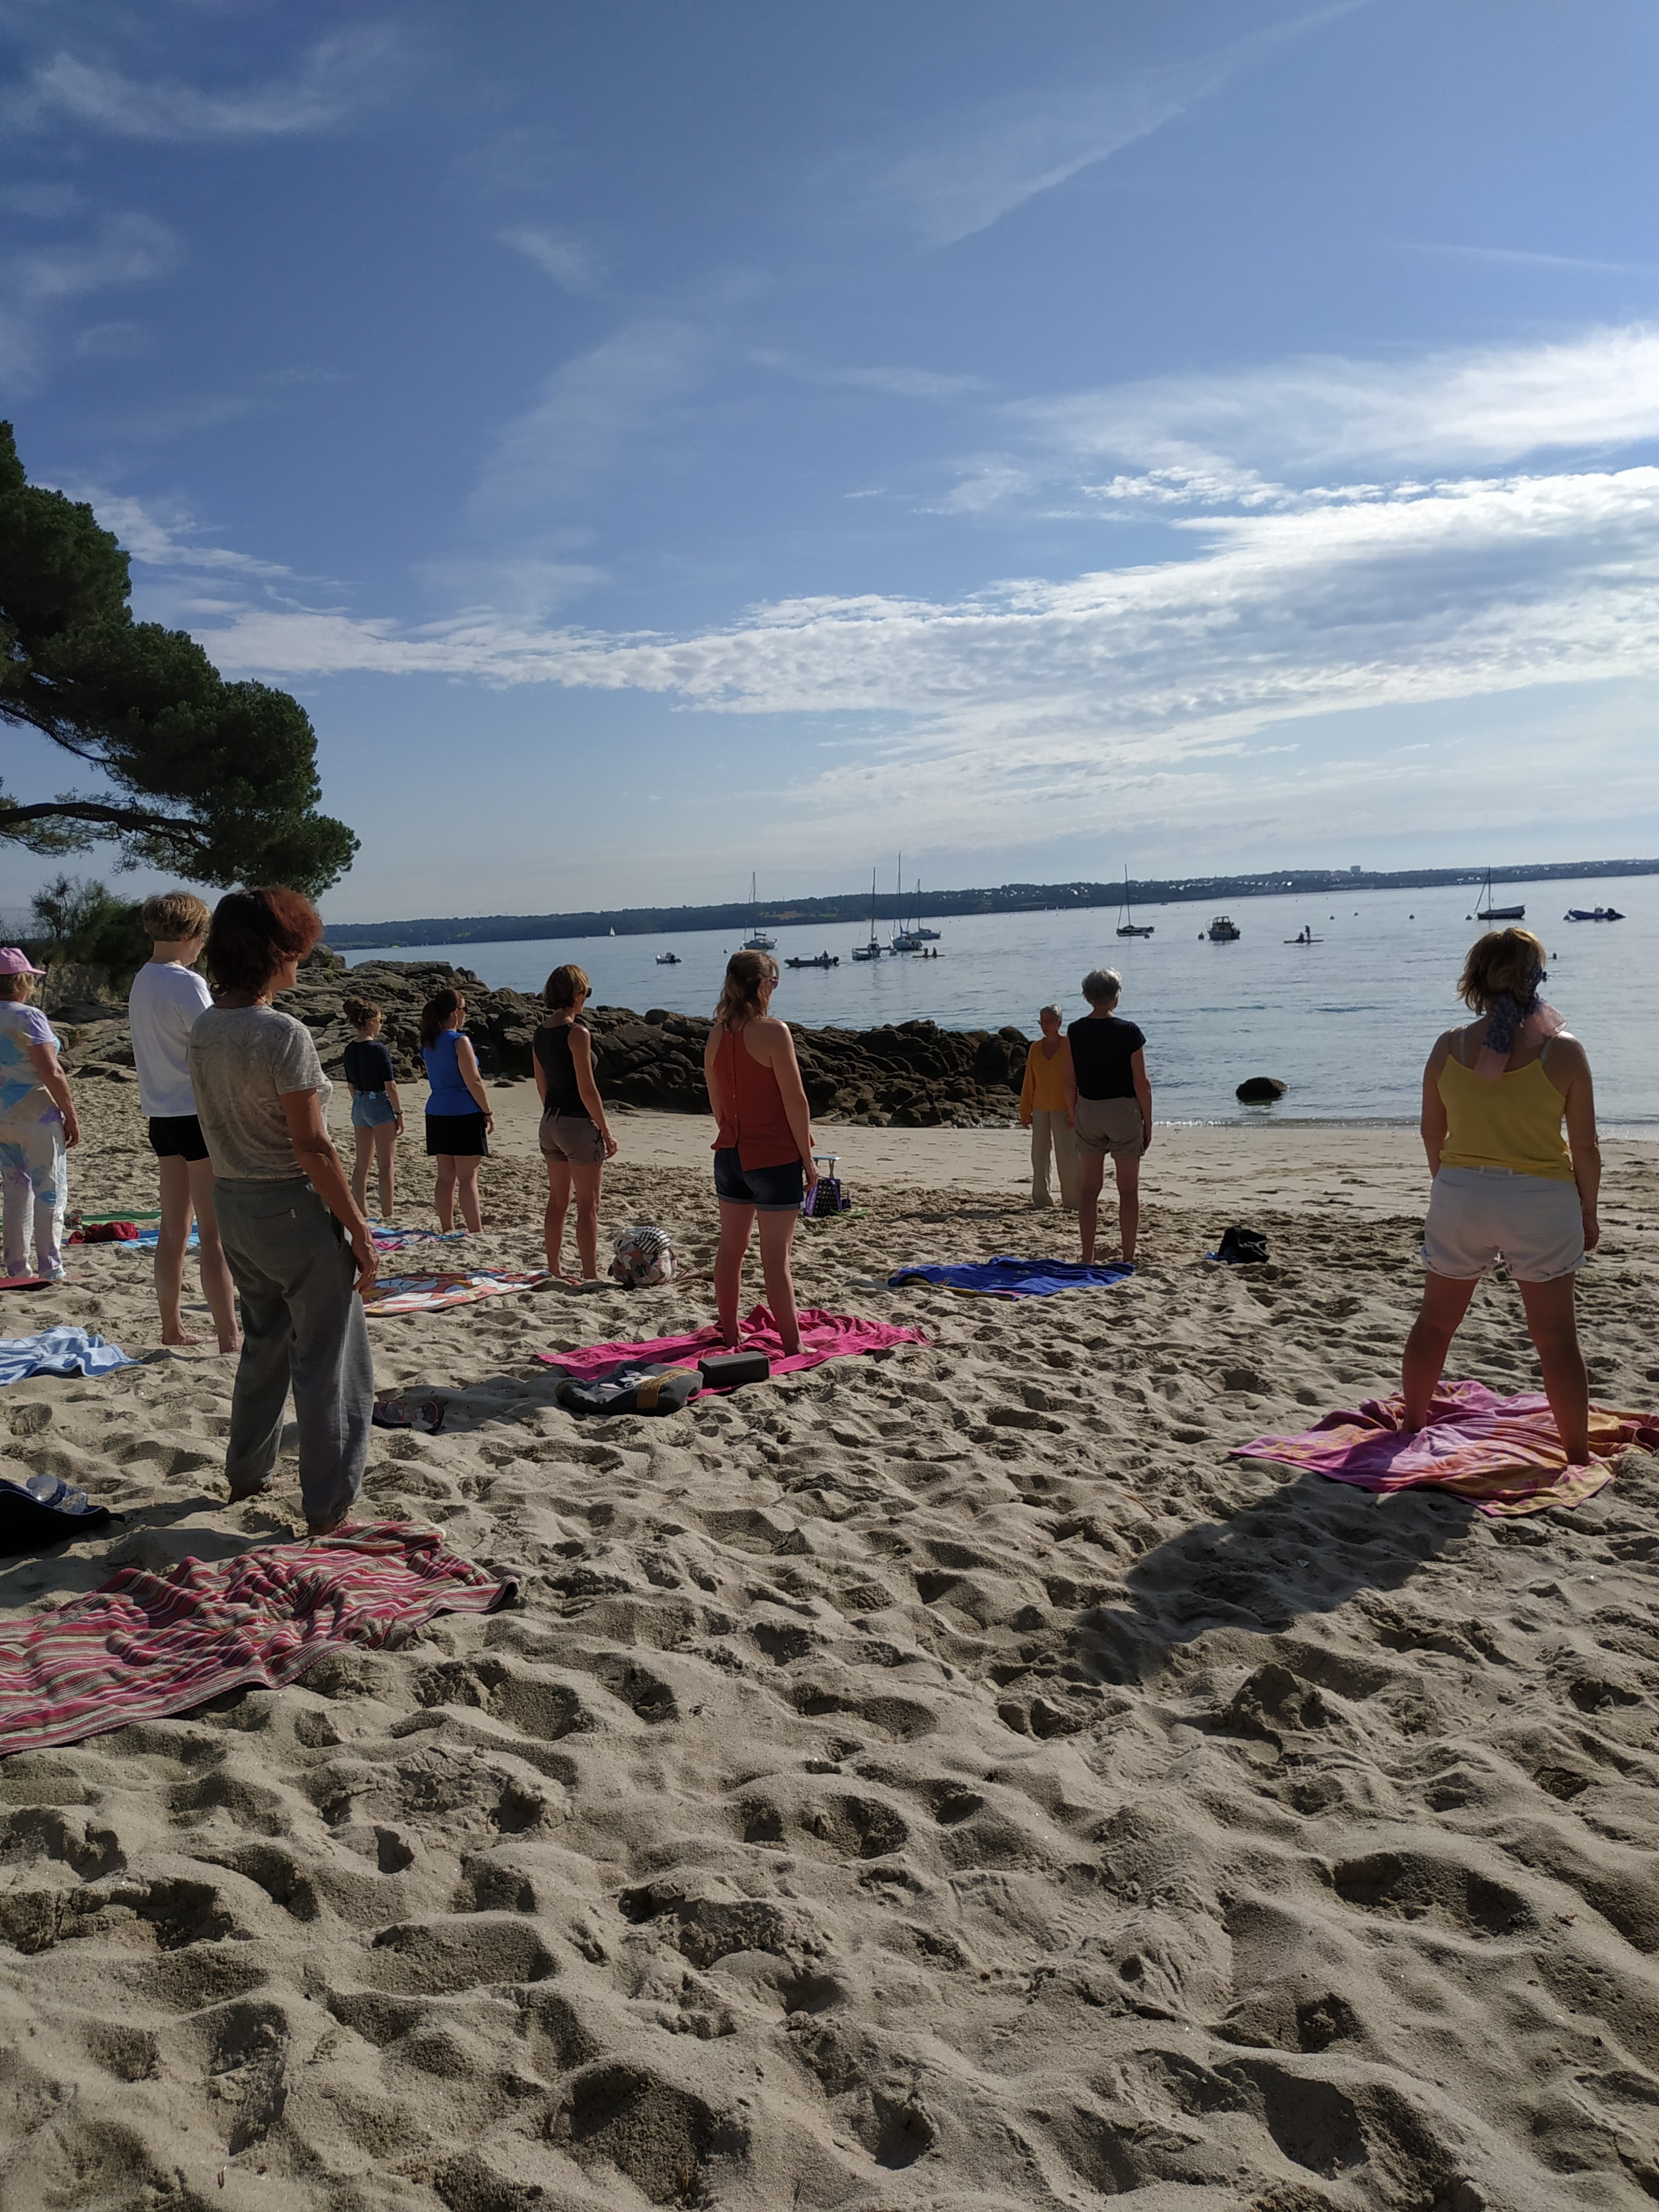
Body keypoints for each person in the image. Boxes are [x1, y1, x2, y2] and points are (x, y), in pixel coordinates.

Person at [187, 888, 377, 1534]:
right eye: (299, 948)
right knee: (330, 1360)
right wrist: (357, 1228)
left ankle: (246, 1473)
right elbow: (313, 1146)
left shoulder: (206, 1028)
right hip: (289, 1209)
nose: (305, 959)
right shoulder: (283, 1034)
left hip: (233, 1204)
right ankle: (329, 1506)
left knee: (264, 1343)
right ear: (277, 952)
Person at [1402, 927, 1600, 1464]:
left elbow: (1430, 1132)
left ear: (1477, 980)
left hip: (1461, 1192)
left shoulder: (1449, 1046)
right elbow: (1583, 1144)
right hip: (1540, 1199)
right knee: (1556, 1339)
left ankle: (1411, 1424)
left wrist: (1447, 1183)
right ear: (1536, 979)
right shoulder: (1564, 1052)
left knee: (1436, 1322)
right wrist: (1589, 1209)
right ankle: (1577, 1454)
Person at [128, 891, 239, 1351]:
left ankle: (171, 1325)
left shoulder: (141, 980)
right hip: (195, 1113)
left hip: (160, 1113)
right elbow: (214, 1040)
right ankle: (229, 1335)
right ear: (193, 935)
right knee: (213, 1232)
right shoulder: (185, 982)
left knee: (173, 1227)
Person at [702, 950, 819, 1355]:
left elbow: (717, 1105)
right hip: (772, 1157)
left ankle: (731, 1334)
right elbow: (796, 1101)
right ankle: (793, 1345)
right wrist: (807, 1159)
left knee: (730, 1250)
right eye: (773, 980)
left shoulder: (717, 1033)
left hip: (730, 1153)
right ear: (760, 985)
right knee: (776, 1260)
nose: (774, 988)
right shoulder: (773, 1031)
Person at [534, 964, 617, 1281]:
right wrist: (605, 1130)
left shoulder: (541, 1032)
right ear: (577, 994)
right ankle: (590, 1273)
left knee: (558, 1200)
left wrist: (553, 1116)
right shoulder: (577, 1033)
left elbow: (541, 1083)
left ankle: (554, 1267)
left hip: (550, 1120)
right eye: (586, 993)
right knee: (588, 1204)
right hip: (576, 1123)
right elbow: (587, 1088)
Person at [1064, 966, 1152, 1266]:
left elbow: (1069, 1080)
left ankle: (1087, 1256)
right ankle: (1127, 1256)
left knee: (1089, 1189)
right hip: (1123, 1110)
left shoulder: (1075, 1031)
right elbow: (1142, 1083)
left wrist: (1072, 1112)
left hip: (1089, 1108)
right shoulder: (1129, 1032)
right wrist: (1148, 1122)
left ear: (1088, 997)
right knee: (1128, 1189)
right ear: (1115, 997)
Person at [0, 948, 79, 1282]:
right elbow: (52, 1072)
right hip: (36, 1113)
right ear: (22, 981)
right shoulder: (28, 1017)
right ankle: (51, 1267)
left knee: (16, 1190)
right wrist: (70, 1115)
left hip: (2, 1117)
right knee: (50, 1191)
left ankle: (17, 1267)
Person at [420, 988, 493, 1233]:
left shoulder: (429, 1043)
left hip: (437, 1110)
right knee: (467, 1177)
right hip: (463, 1111)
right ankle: (475, 1229)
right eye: (464, 1009)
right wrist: (488, 1111)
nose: (465, 1014)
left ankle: (447, 1227)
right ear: (455, 1013)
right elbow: (473, 1081)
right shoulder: (458, 1041)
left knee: (445, 1176)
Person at [343, 995, 403, 1222]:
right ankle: (388, 1213)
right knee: (386, 1165)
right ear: (370, 1021)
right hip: (378, 1102)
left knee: (362, 1163)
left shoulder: (350, 1049)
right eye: (380, 1019)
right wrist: (398, 1113)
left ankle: (361, 1210)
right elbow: (391, 1085)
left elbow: (350, 1084)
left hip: (359, 1103)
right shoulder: (378, 1049)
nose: (381, 1024)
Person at [1019, 1004, 1078, 1211]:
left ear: (1060, 1023)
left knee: (1068, 1157)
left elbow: (1077, 1080)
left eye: (1049, 1022)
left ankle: (1073, 1201)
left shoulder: (1070, 1046)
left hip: (1065, 1109)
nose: (1045, 1026)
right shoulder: (1036, 1048)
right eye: (1042, 1022)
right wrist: (1025, 1111)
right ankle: (1042, 1199)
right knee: (1039, 1155)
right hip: (1041, 1108)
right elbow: (1029, 1081)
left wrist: (1074, 1111)